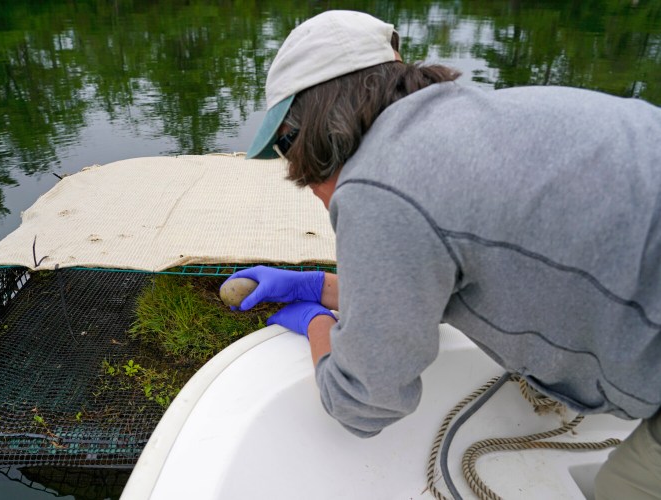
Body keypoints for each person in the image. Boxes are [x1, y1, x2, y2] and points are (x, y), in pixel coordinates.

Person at [224, 10, 661, 499]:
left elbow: (366, 402)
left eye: (288, 145)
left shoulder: (379, 185)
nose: (300, 172)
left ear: (317, 126)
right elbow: (424, 287)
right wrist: (318, 287)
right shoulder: (466, 118)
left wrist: (315, 324)